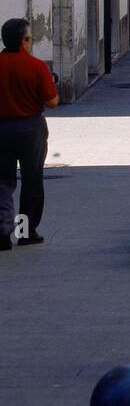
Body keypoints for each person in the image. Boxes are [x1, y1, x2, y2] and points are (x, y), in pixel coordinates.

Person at [0, 18, 59, 250]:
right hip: (30, 128)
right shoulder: (36, 66)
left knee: (3, 181)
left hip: (1, 128)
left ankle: (2, 230)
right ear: (24, 41)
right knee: (31, 180)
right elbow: (52, 101)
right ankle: (26, 231)